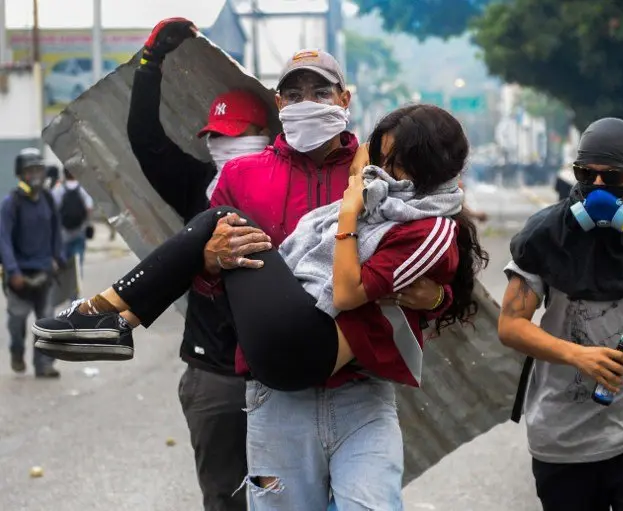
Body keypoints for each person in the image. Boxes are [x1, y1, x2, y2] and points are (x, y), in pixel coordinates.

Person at [34, 103, 486, 510]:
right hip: (277, 387)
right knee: (220, 226)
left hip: (338, 379)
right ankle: (114, 317)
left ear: (343, 101)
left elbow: (407, 289)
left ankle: (111, 314)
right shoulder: (284, 178)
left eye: (397, 163)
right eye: (291, 93)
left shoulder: (402, 215)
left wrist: (352, 212)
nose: (382, 172)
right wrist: (214, 261)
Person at [497, 117, 623, 511]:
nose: (596, 187)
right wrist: (576, 355)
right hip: (564, 444)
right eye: (584, 174)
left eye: (611, 178)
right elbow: (510, 326)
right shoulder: (545, 235)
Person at [127, 17, 272, 511]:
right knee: (224, 498)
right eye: (215, 134)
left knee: (290, 496)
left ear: (266, 134)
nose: (221, 143)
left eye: (236, 134)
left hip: (285, 376)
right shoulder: (195, 186)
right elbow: (145, 139)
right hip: (214, 377)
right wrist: (150, 64)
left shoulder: (294, 189)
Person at [0, 148, 65, 378]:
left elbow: (56, 231)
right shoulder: (11, 203)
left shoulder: (48, 199)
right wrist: (12, 271)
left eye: (39, 169)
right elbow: (3, 240)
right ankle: (16, 352)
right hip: (20, 276)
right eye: (30, 171)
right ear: (20, 174)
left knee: (46, 322)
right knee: (17, 323)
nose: (36, 174)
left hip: (45, 272)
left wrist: (58, 258)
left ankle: (44, 364)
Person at [52, 168, 94, 280]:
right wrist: (88, 223)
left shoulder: (58, 190)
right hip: (79, 230)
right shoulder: (83, 189)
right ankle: (75, 292)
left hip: (63, 233)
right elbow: (89, 208)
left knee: (63, 263)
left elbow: (53, 211)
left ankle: (64, 288)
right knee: (77, 263)